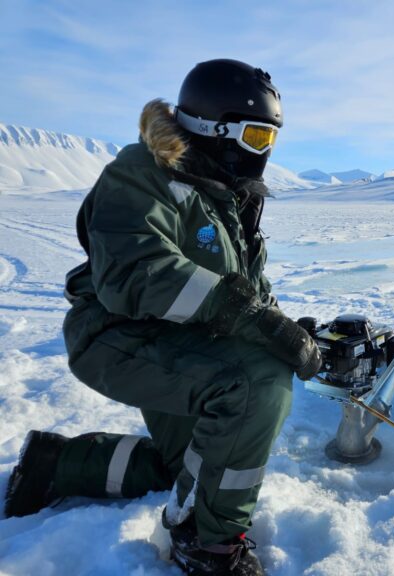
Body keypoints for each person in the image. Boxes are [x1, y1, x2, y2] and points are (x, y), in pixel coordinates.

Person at [3, 59, 322, 576]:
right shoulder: (140, 175)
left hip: (179, 340)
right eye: (258, 136)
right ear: (215, 129)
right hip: (114, 334)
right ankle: (205, 540)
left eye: (271, 139)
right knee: (255, 385)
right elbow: (136, 274)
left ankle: (54, 464)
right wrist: (254, 322)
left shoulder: (227, 197)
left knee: (196, 465)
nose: (265, 152)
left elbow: (247, 291)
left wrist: (281, 327)